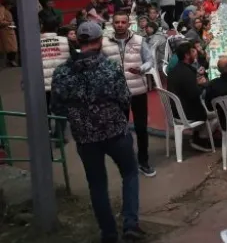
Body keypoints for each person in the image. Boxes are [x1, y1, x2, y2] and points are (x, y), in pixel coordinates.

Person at [50, 22, 145, 242]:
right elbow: (124, 99)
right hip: (115, 133)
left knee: (97, 185)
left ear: (78, 41)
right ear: (100, 40)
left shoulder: (62, 72)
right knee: (130, 174)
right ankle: (131, 224)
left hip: (85, 138)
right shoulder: (109, 68)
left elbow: (57, 107)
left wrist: (78, 117)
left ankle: (109, 234)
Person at [102, 12, 155, 176]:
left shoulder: (139, 40)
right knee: (120, 129)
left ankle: (144, 161)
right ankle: (126, 163)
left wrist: (142, 69)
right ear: (112, 23)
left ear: (128, 24)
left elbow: (149, 60)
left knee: (141, 128)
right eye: (117, 22)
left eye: (123, 22)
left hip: (138, 90)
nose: (120, 25)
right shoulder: (104, 43)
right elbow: (100, 63)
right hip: (117, 93)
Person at [167, 41, 215, 151]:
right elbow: (195, 94)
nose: (195, 53)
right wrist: (203, 85)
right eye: (193, 52)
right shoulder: (186, 72)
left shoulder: (177, 69)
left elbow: (188, 87)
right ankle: (201, 139)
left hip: (175, 109)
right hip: (186, 113)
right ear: (187, 55)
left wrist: (198, 83)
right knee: (218, 112)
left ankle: (198, 134)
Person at [41, 17, 70, 136]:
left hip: (41, 81)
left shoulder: (34, 41)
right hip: (60, 81)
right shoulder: (64, 40)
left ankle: (46, 131)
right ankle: (60, 134)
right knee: (61, 109)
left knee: (44, 109)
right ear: (57, 27)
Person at [0, 1, 18, 67]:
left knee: (13, 47)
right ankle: (11, 61)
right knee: (11, 48)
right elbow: (1, 21)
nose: (11, 6)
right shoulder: (2, 9)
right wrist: (9, 23)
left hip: (10, 30)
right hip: (6, 31)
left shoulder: (6, 10)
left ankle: (11, 60)